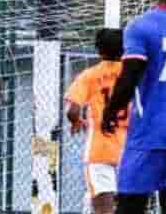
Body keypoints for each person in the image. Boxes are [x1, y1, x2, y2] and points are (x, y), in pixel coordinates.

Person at [102, 0, 166, 213]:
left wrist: (111, 111)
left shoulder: (142, 26)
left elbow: (130, 76)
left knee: (130, 204)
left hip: (149, 133)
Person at [65, 29, 127, 214]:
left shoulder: (90, 75)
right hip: (131, 149)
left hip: (100, 150)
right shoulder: (134, 75)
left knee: (103, 208)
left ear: (99, 51)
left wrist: (76, 121)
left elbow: (72, 110)